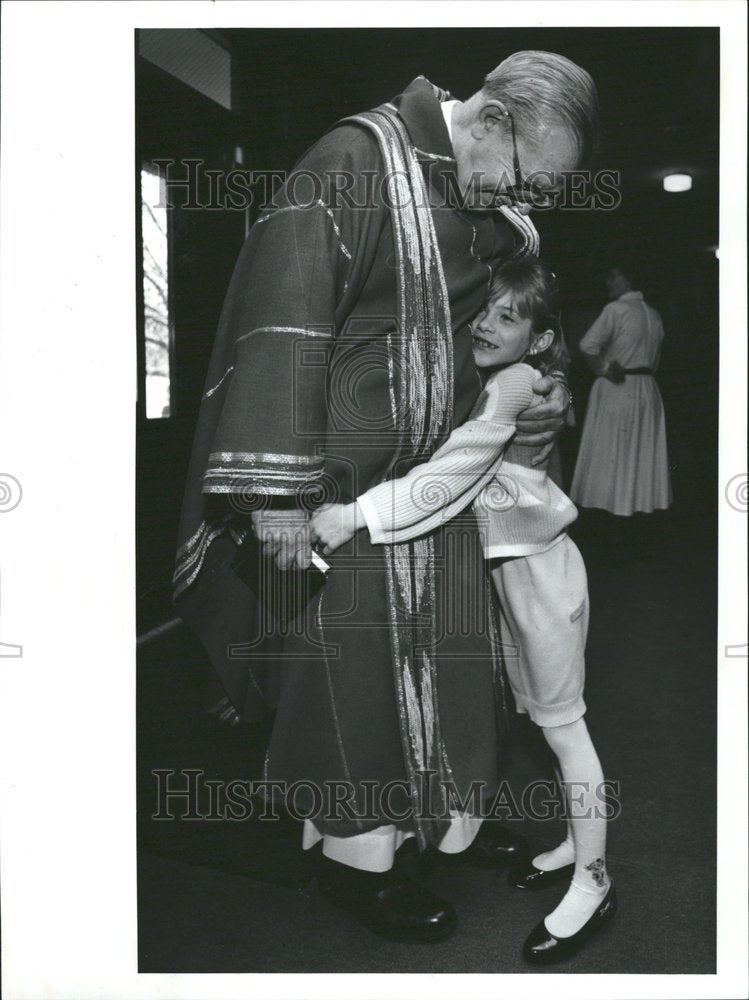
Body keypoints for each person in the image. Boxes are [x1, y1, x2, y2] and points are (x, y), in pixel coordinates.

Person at [174, 52, 598, 942]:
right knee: (348, 676)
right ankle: (354, 860)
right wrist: (276, 497)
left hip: (435, 484)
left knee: (453, 662)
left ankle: (444, 826)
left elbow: (503, 291)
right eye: (530, 179)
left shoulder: (474, 189)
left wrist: (538, 374)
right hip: (336, 487)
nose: (529, 201)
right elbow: (282, 321)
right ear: (488, 122)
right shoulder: (351, 162)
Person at [311, 258, 616, 963]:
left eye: (509, 318)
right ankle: (575, 840)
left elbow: (457, 466)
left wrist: (356, 513)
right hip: (501, 584)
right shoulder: (500, 376)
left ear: (539, 340)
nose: (484, 324)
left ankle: (595, 880)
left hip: (540, 581)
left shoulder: (513, 382)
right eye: (484, 308)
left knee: (565, 731)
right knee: (532, 725)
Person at [570, 262, 672, 522]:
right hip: (648, 388)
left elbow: (587, 345)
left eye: (613, 277)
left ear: (628, 279)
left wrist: (604, 368)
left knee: (612, 452)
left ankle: (608, 515)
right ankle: (633, 509)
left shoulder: (616, 309)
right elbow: (657, 360)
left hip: (619, 386)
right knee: (637, 452)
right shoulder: (654, 314)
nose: (608, 282)